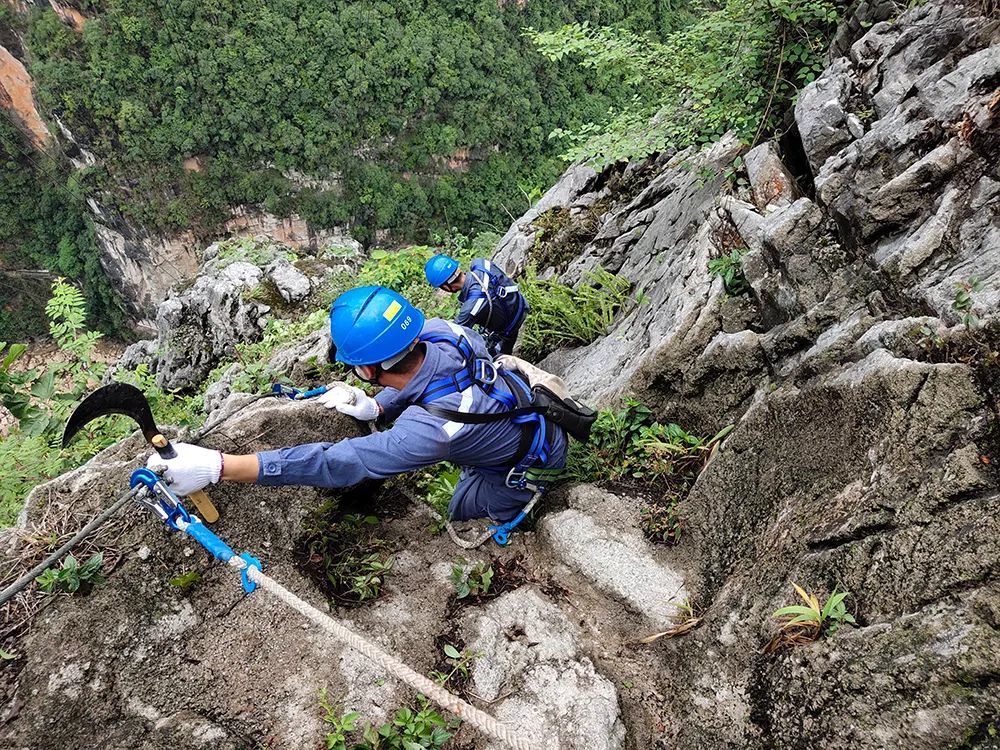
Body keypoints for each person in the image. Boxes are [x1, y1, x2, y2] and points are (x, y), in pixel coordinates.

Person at [146, 286, 566, 523]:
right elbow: (432, 374)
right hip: (523, 412)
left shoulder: (430, 432)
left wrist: (221, 466)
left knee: (461, 513)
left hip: (526, 462)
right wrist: (378, 408)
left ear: (368, 369)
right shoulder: (444, 331)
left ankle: (527, 497)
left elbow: (337, 462)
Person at [424, 254, 528, 356]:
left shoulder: (470, 308)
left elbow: (454, 332)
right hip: (520, 304)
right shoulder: (481, 264)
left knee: (498, 357)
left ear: (445, 286)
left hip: (510, 326)